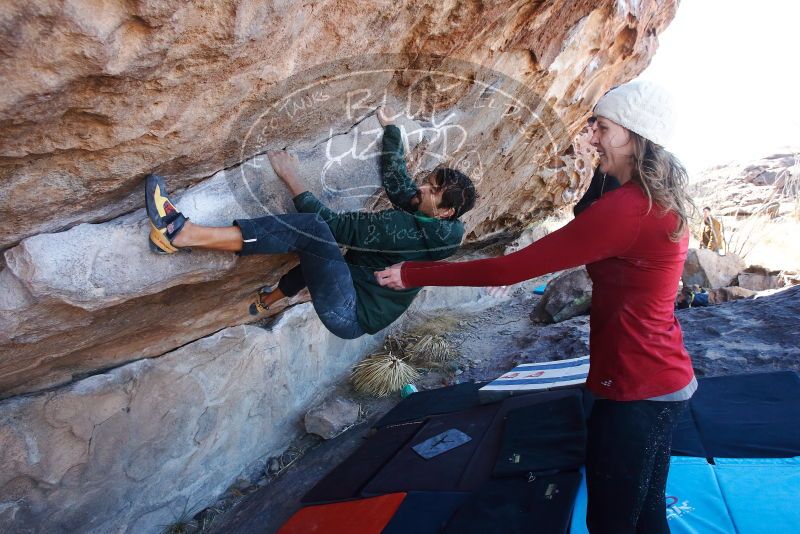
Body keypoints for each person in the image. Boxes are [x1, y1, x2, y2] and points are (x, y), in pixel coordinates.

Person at [375, 80, 697, 533]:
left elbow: (509, 270)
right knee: (639, 512)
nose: (591, 138)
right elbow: (584, 219)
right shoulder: (645, 200)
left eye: (601, 128)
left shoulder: (627, 210)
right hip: (649, 377)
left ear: (632, 134)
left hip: (640, 390)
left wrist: (414, 273)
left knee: (615, 520)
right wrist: (599, 159)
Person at [145, 105, 476, 339]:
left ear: (446, 211)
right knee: (325, 254)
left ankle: (181, 233)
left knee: (315, 232)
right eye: (429, 182)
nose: (422, 188)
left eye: (431, 190)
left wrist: (291, 177)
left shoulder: (407, 231)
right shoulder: (436, 224)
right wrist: (392, 130)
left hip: (349, 312)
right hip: (352, 296)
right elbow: (400, 184)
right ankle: (268, 299)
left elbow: (331, 224)